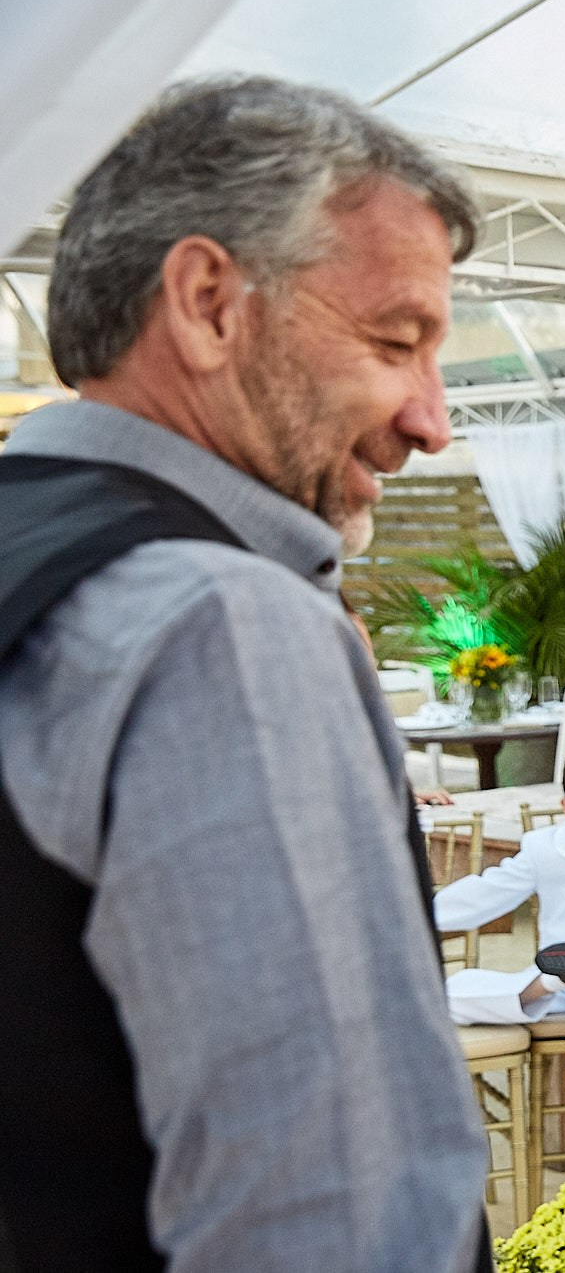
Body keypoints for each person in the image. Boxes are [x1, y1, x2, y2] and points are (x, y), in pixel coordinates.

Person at [0, 77, 491, 1271]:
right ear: (210, 303)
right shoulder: (220, 624)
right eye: (394, 341)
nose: (429, 421)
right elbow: (335, 1218)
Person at [436, 736, 565, 1025]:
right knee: (449, 995)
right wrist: (419, 916)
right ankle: (555, 980)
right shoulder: (543, 847)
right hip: (552, 979)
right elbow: (488, 891)